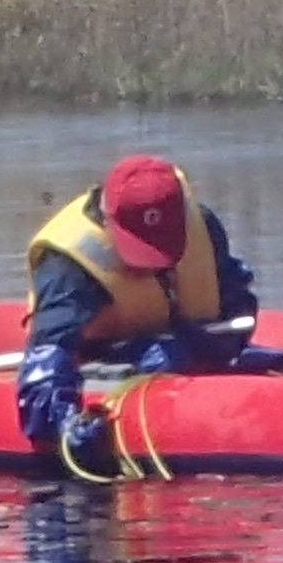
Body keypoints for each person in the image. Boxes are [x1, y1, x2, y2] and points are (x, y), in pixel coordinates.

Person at [15, 154, 259, 474]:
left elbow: (236, 309)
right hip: (102, 362)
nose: (154, 263)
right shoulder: (69, 265)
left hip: (186, 352)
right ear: (108, 221)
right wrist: (65, 427)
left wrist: (198, 345)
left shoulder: (201, 225)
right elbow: (47, 359)